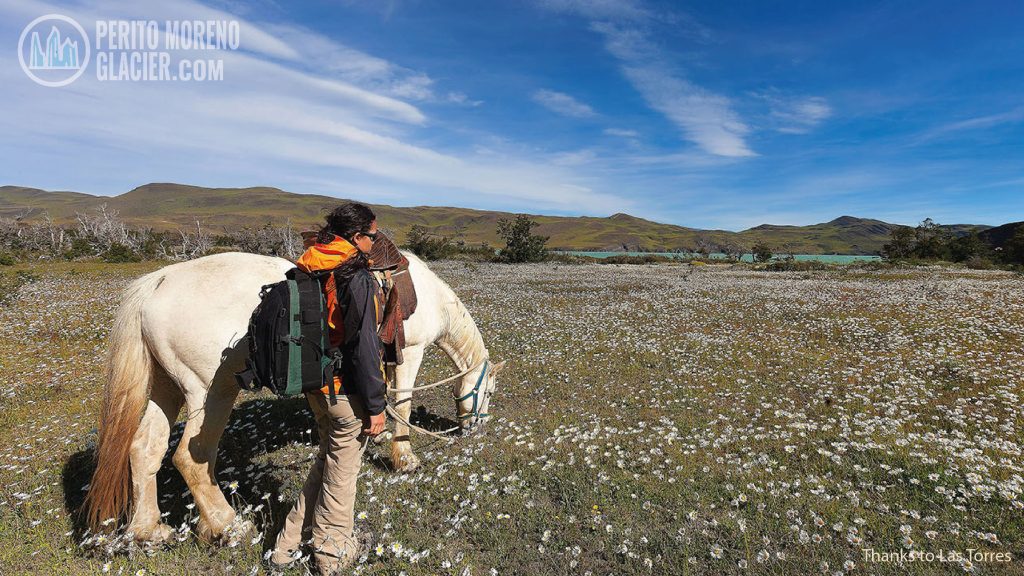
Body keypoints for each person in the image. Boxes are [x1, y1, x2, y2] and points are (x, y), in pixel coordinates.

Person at [270, 202, 387, 575]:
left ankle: (285, 546)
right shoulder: (356, 275)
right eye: (372, 237)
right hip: (343, 391)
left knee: (328, 461)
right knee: (342, 476)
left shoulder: (309, 263)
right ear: (356, 237)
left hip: (313, 383)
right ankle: (330, 555)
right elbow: (364, 347)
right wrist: (376, 405)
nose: (374, 243)